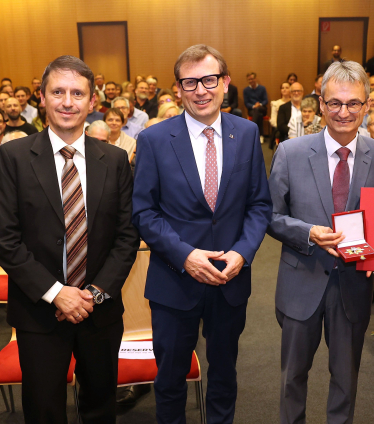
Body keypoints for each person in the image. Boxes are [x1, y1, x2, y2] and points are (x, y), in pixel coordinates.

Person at [0, 55, 139, 423]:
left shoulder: (116, 159)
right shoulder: (14, 156)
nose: (67, 102)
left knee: (101, 406)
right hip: (39, 311)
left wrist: (95, 294)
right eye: (58, 91)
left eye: (77, 93)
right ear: (41, 97)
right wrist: (58, 293)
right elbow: (3, 239)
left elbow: (127, 236)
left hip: (99, 309)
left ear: (92, 101)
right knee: (43, 410)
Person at [133, 44, 272, 424]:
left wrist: (241, 253)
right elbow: (143, 212)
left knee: (224, 375)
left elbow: (260, 205)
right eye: (190, 82)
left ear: (225, 83)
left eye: (209, 80)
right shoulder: (154, 140)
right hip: (174, 280)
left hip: (230, 277)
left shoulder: (246, 133)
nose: (201, 90)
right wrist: (186, 256)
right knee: (171, 380)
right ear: (178, 89)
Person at [267, 60, 374, 424]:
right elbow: (269, 216)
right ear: (320, 104)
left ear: (367, 105)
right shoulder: (290, 153)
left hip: (353, 284)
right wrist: (306, 232)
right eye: (335, 103)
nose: (344, 112)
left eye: (353, 103)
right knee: (292, 377)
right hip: (300, 280)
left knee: (346, 379)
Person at [243, 72, 268, 142]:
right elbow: (246, 103)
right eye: (249, 79)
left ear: (255, 79)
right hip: (252, 110)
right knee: (258, 113)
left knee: (258, 110)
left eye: (252, 79)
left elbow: (266, 101)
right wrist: (254, 106)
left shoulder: (262, 88)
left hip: (262, 108)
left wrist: (259, 104)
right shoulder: (246, 90)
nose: (251, 81)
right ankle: (261, 135)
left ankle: (252, 133)